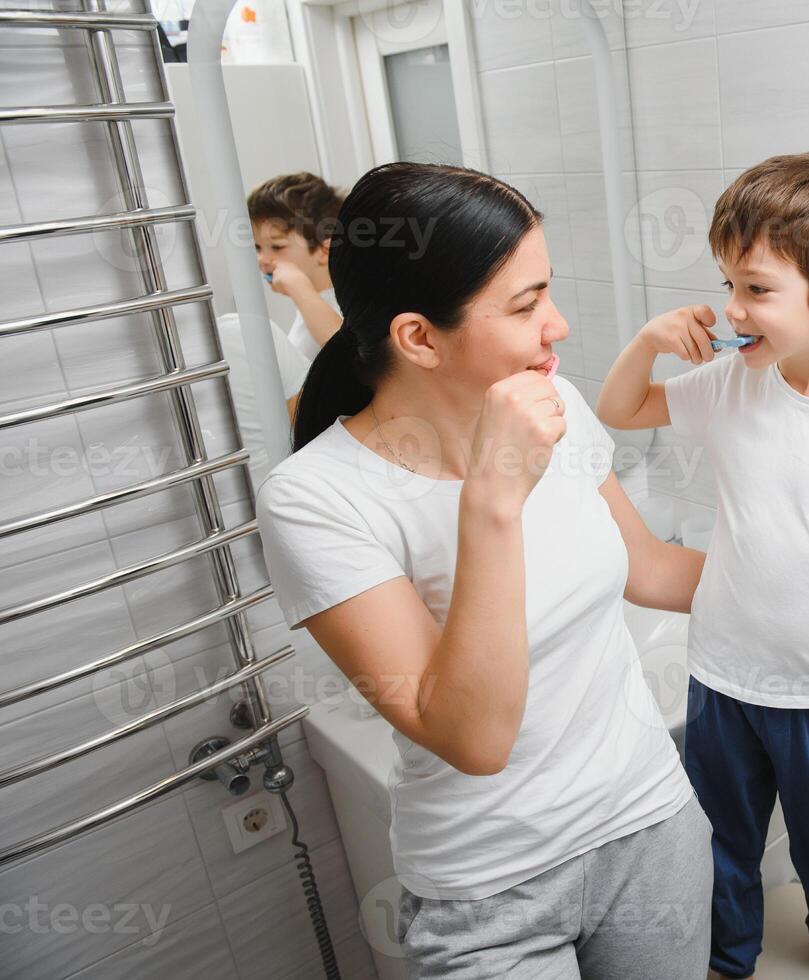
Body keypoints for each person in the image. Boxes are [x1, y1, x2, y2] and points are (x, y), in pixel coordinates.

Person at [254, 162, 713, 979]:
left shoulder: (560, 407)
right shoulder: (315, 499)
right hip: (488, 894)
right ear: (418, 338)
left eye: (548, 293)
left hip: (650, 827)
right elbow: (472, 735)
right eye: (528, 305)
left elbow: (649, 568)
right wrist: (494, 499)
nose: (559, 326)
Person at [596, 150, 809, 980]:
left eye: (756, 289)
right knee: (720, 839)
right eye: (727, 284)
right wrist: (650, 339)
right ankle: (729, 956)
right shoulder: (729, 385)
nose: (730, 309)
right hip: (720, 676)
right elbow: (618, 408)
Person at [248, 172, 345, 362]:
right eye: (257, 247)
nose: (262, 259)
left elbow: (346, 353)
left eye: (277, 246)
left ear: (324, 251)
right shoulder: (309, 305)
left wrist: (298, 287)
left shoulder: (344, 303)